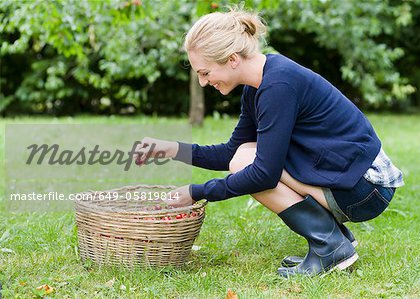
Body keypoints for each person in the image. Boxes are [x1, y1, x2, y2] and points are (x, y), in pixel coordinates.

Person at [134, 8, 404, 277]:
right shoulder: (259, 84)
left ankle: (330, 246)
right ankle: (336, 238)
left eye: (205, 73)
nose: (203, 82)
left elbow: (264, 174)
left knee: (248, 165)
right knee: (241, 157)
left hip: (367, 188)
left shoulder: (278, 86)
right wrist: (170, 149)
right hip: (353, 179)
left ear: (231, 59)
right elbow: (230, 153)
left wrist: (195, 192)